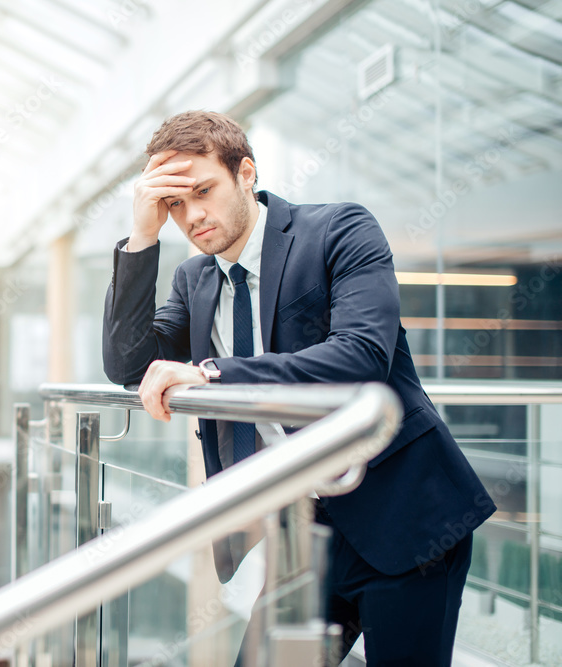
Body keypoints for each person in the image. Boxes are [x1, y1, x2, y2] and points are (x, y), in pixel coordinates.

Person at [101, 110, 495, 666]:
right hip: (309, 525)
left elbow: (361, 358)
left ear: (245, 173)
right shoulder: (196, 279)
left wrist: (214, 373)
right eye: (174, 205)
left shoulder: (339, 230)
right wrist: (143, 235)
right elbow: (127, 364)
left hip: (409, 517)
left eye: (202, 191)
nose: (192, 216)